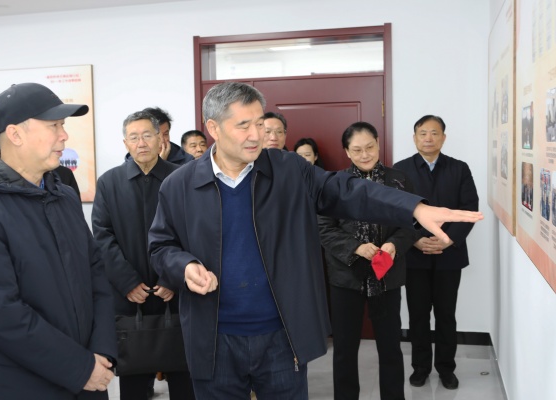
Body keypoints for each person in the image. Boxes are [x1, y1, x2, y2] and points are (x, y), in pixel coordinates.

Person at [147, 82, 482, 399]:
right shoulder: (179, 185)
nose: (256, 135)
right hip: (214, 339)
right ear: (214, 128)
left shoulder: (289, 170)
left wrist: (414, 208)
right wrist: (184, 266)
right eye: (243, 125)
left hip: (283, 336)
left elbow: (349, 190)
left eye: (260, 123)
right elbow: (161, 247)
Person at [0, 82, 117, 399]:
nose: (64, 135)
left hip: (88, 378)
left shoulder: (63, 196)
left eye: (63, 125)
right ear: (15, 134)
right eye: (53, 125)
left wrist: (101, 352)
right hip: (19, 387)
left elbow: (96, 275)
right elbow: (0, 314)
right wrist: (80, 368)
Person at [92, 110, 195, 400]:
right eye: (134, 137)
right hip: (130, 296)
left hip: (175, 291)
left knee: (185, 378)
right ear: (125, 142)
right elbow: (102, 237)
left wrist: (173, 277)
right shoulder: (109, 182)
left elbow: (195, 231)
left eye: (147, 135)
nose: (141, 143)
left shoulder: (182, 177)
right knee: (134, 382)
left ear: (161, 139)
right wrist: (127, 282)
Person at [318, 122, 415, 400]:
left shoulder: (399, 181)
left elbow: (411, 223)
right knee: (345, 348)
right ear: (347, 152)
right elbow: (324, 228)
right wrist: (356, 248)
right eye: (357, 150)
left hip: (386, 275)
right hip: (346, 276)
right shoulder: (333, 184)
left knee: (390, 346)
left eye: (370, 147)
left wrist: (394, 244)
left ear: (378, 143)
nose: (365, 154)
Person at [393, 115, 479, 390]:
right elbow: (394, 211)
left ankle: (446, 368)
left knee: (445, 314)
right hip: (414, 255)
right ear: (414, 137)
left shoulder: (459, 168)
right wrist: (415, 240)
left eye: (434, 133)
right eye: (423, 133)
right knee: (418, 314)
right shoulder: (400, 169)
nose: (428, 138)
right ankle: (420, 368)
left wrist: (447, 240)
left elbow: (469, 208)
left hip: (449, 255)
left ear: (443, 137)